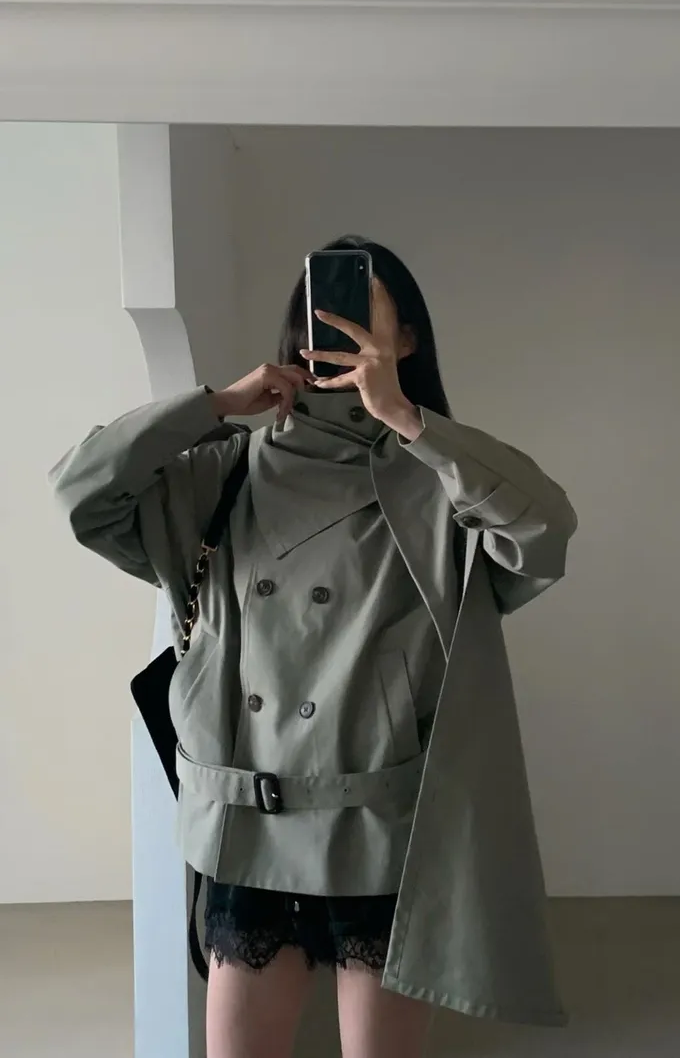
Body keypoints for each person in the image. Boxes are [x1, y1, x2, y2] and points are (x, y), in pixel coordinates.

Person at [51, 236, 577, 1058]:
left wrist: (407, 420)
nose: (331, 323)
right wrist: (214, 405)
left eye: (360, 305)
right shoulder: (226, 470)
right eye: (315, 308)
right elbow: (80, 491)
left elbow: (544, 531)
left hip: (377, 831)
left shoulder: (437, 479)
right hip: (249, 831)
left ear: (408, 338)